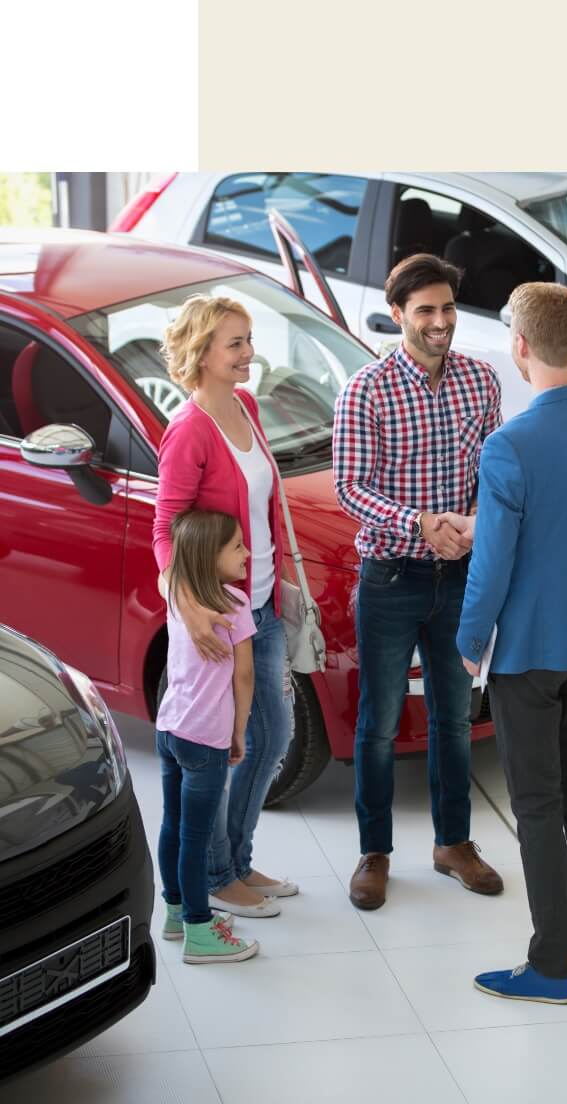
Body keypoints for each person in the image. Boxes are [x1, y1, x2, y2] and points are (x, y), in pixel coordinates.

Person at [453, 283, 567, 1004]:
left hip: (530, 651)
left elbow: (493, 562)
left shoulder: (509, 445)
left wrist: (468, 641)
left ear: (520, 346)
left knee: (538, 806)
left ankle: (549, 967)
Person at [332, 253, 505, 910]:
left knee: (454, 718)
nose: (440, 322)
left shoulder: (481, 382)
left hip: (459, 576)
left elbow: (495, 474)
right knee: (377, 722)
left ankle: (452, 844)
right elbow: (349, 487)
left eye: (448, 309)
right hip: (390, 576)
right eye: (426, 311)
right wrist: (420, 521)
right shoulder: (366, 390)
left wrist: (473, 523)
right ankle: (374, 853)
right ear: (398, 313)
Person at [154, 296, 297, 919]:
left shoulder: (246, 406)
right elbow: (166, 530)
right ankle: (214, 874)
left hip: (260, 604)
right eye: (235, 343)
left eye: (249, 339)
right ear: (202, 354)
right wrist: (187, 606)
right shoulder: (188, 431)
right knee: (218, 748)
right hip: (218, 616)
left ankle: (234, 859)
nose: (248, 353)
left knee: (271, 736)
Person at [156, 509, 259, 964]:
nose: (247, 552)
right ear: (209, 555)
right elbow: (245, 677)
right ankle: (200, 930)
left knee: (173, 825)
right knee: (196, 837)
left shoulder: (179, 597)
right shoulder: (234, 606)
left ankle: (175, 913)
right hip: (206, 738)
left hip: (170, 727)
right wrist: (238, 731)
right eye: (236, 546)